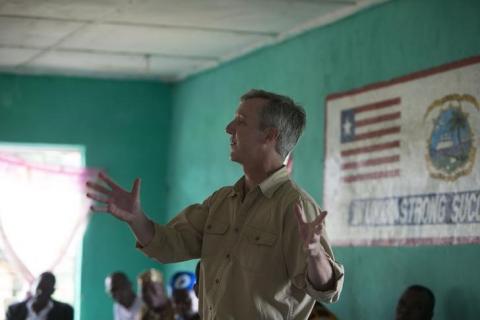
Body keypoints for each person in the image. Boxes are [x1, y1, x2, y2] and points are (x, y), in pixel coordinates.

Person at [87, 89, 345, 319]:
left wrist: (314, 253)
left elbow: (326, 290)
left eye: (241, 121)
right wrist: (137, 218)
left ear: (269, 136)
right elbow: (168, 246)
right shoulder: (222, 201)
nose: (229, 128)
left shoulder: (294, 206)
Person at [6, 271, 73, 320]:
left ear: (52, 291)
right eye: (38, 287)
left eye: (45, 289)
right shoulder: (14, 310)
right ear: (32, 287)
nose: (40, 292)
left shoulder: (64, 311)